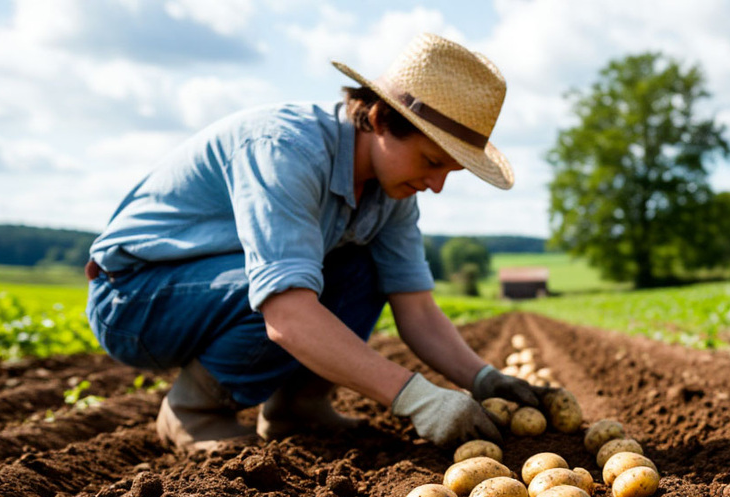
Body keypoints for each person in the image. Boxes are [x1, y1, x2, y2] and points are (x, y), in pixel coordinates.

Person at [85, 33, 544, 453]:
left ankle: (297, 407)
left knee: (361, 265)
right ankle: (192, 411)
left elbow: (417, 308)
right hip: (134, 298)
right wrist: (417, 398)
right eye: (431, 161)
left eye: (450, 171)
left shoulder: (392, 194)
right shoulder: (286, 150)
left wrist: (483, 379)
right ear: (380, 118)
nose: (437, 185)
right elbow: (287, 315)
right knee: (282, 284)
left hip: (208, 289)